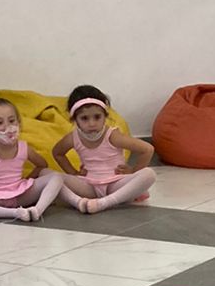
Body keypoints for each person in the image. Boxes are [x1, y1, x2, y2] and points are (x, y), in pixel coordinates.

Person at [53, 85, 156, 213]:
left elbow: (147, 149)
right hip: (89, 186)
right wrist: (73, 173)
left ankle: (104, 203)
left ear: (105, 116)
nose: (92, 124)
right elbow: (57, 153)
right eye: (84, 118)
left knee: (149, 174)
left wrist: (133, 171)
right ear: (75, 119)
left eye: (97, 117)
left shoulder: (112, 135)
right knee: (48, 175)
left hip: (116, 184)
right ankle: (78, 202)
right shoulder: (72, 137)